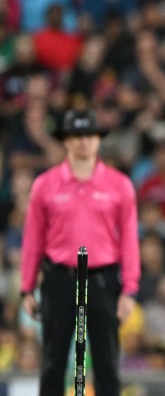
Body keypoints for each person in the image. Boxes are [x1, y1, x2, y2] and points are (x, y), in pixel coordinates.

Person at [20, 109, 140, 396]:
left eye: (89, 135)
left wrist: (129, 289)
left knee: (107, 362)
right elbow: (33, 239)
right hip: (60, 277)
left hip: (102, 278)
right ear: (66, 141)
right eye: (76, 136)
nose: (83, 142)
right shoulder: (45, 185)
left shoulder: (119, 185)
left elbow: (129, 241)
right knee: (53, 361)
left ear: (98, 140)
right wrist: (27, 288)